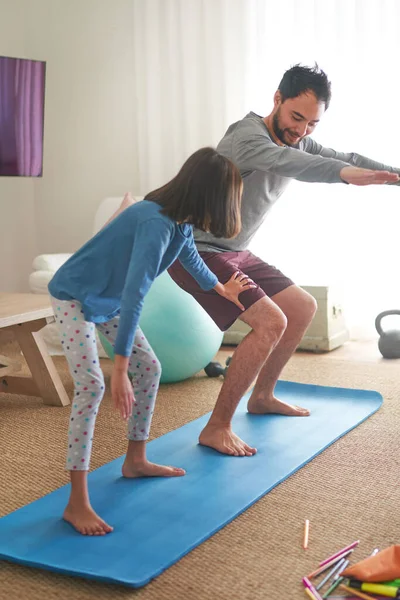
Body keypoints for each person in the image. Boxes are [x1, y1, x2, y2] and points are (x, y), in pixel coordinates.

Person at [166, 64, 400, 457]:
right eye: (296, 117)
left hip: (234, 251)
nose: (302, 131)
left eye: (312, 123)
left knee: (302, 307)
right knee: (270, 322)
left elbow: (344, 154)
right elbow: (294, 164)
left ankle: (263, 396)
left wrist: (392, 174)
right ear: (276, 99)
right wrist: (345, 175)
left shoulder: (299, 140)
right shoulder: (248, 137)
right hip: (196, 250)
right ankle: (216, 426)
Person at [48, 147, 255, 536]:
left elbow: (190, 255)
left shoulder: (179, 222)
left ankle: (136, 460)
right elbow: (135, 293)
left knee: (152, 368)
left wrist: (219, 288)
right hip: (74, 295)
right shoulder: (155, 221)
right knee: (92, 386)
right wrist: (120, 368)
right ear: (208, 195)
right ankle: (76, 503)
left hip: (106, 298)